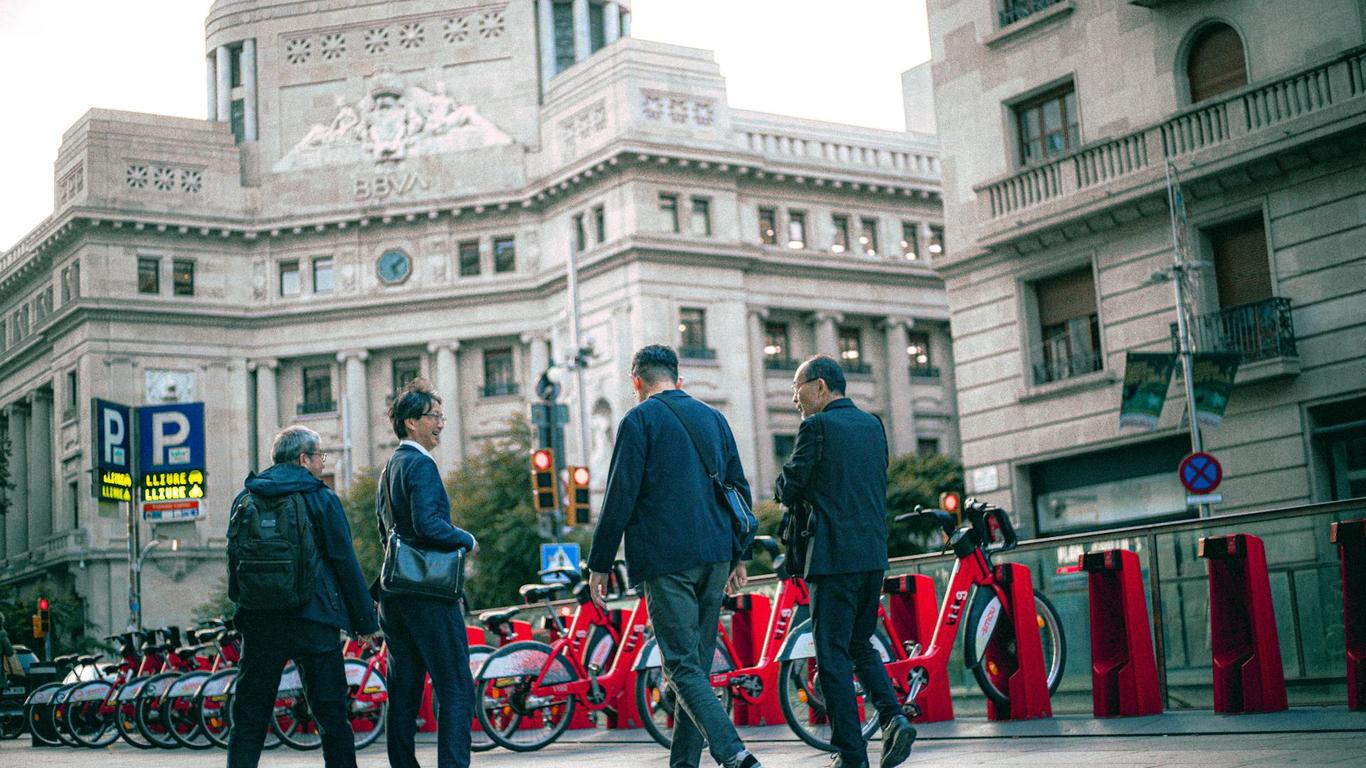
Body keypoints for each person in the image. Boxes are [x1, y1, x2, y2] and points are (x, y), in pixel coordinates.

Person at [587, 344, 762, 768]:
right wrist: (740, 555)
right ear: (676, 377)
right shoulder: (714, 418)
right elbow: (739, 487)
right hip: (717, 555)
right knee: (695, 670)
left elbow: (620, 496)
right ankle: (684, 763)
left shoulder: (639, 419)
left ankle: (734, 752)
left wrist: (600, 564)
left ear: (637, 382)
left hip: (667, 560)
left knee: (681, 667)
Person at [776, 355, 917, 768]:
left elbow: (790, 487)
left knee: (832, 654)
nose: (794, 399)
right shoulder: (873, 425)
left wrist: (786, 484)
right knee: (859, 642)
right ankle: (893, 716)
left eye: (797, 388)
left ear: (820, 386)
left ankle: (851, 755)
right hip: (873, 555)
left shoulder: (816, 427)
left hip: (832, 558)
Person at [226, 425, 378, 768]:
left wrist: (243, 614)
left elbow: (235, 561)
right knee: (332, 720)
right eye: (319, 456)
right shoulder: (321, 498)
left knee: (249, 720)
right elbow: (344, 561)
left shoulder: (246, 498)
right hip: (315, 621)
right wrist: (364, 621)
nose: (322, 463)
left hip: (261, 623)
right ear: (303, 459)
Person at [376, 379, 478, 768]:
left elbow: (384, 529)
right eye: (434, 416)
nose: (440, 423)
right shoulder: (421, 464)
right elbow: (428, 525)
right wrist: (466, 538)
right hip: (429, 595)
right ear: (411, 423)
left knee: (404, 691)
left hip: (394, 595)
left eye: (441, 416)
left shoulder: (388, 469)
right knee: (455, 687)